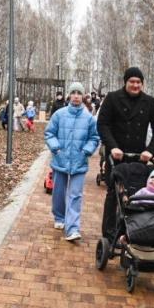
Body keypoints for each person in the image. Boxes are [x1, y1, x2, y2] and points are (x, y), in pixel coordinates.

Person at [96, 66, 154, 237]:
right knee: (114, 193)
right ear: (125, 82)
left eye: (138, 82)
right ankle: (109, 233)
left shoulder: (149, 102)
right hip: (117, 156)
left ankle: (134, 231)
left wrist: (150, 151)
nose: (135, 85)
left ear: (142, 84)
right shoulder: (112, 99)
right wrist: (112, 147)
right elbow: (102, 125)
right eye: (132, 81)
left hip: (138, 157)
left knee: (138, 195)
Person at [44, 82, 100, 241]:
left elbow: (95, 137)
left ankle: (73, 228)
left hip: (79, 161)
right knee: (59, 192)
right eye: (73, 92)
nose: (76, 95)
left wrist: (86, 151)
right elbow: (49, 133)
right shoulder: (59, 114)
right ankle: (59, 217)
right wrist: (56, 149)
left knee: (76, 195)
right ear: (69, 95)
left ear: (83, 96)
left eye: (79, 93)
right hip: (60, 160)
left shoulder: (89, 118)